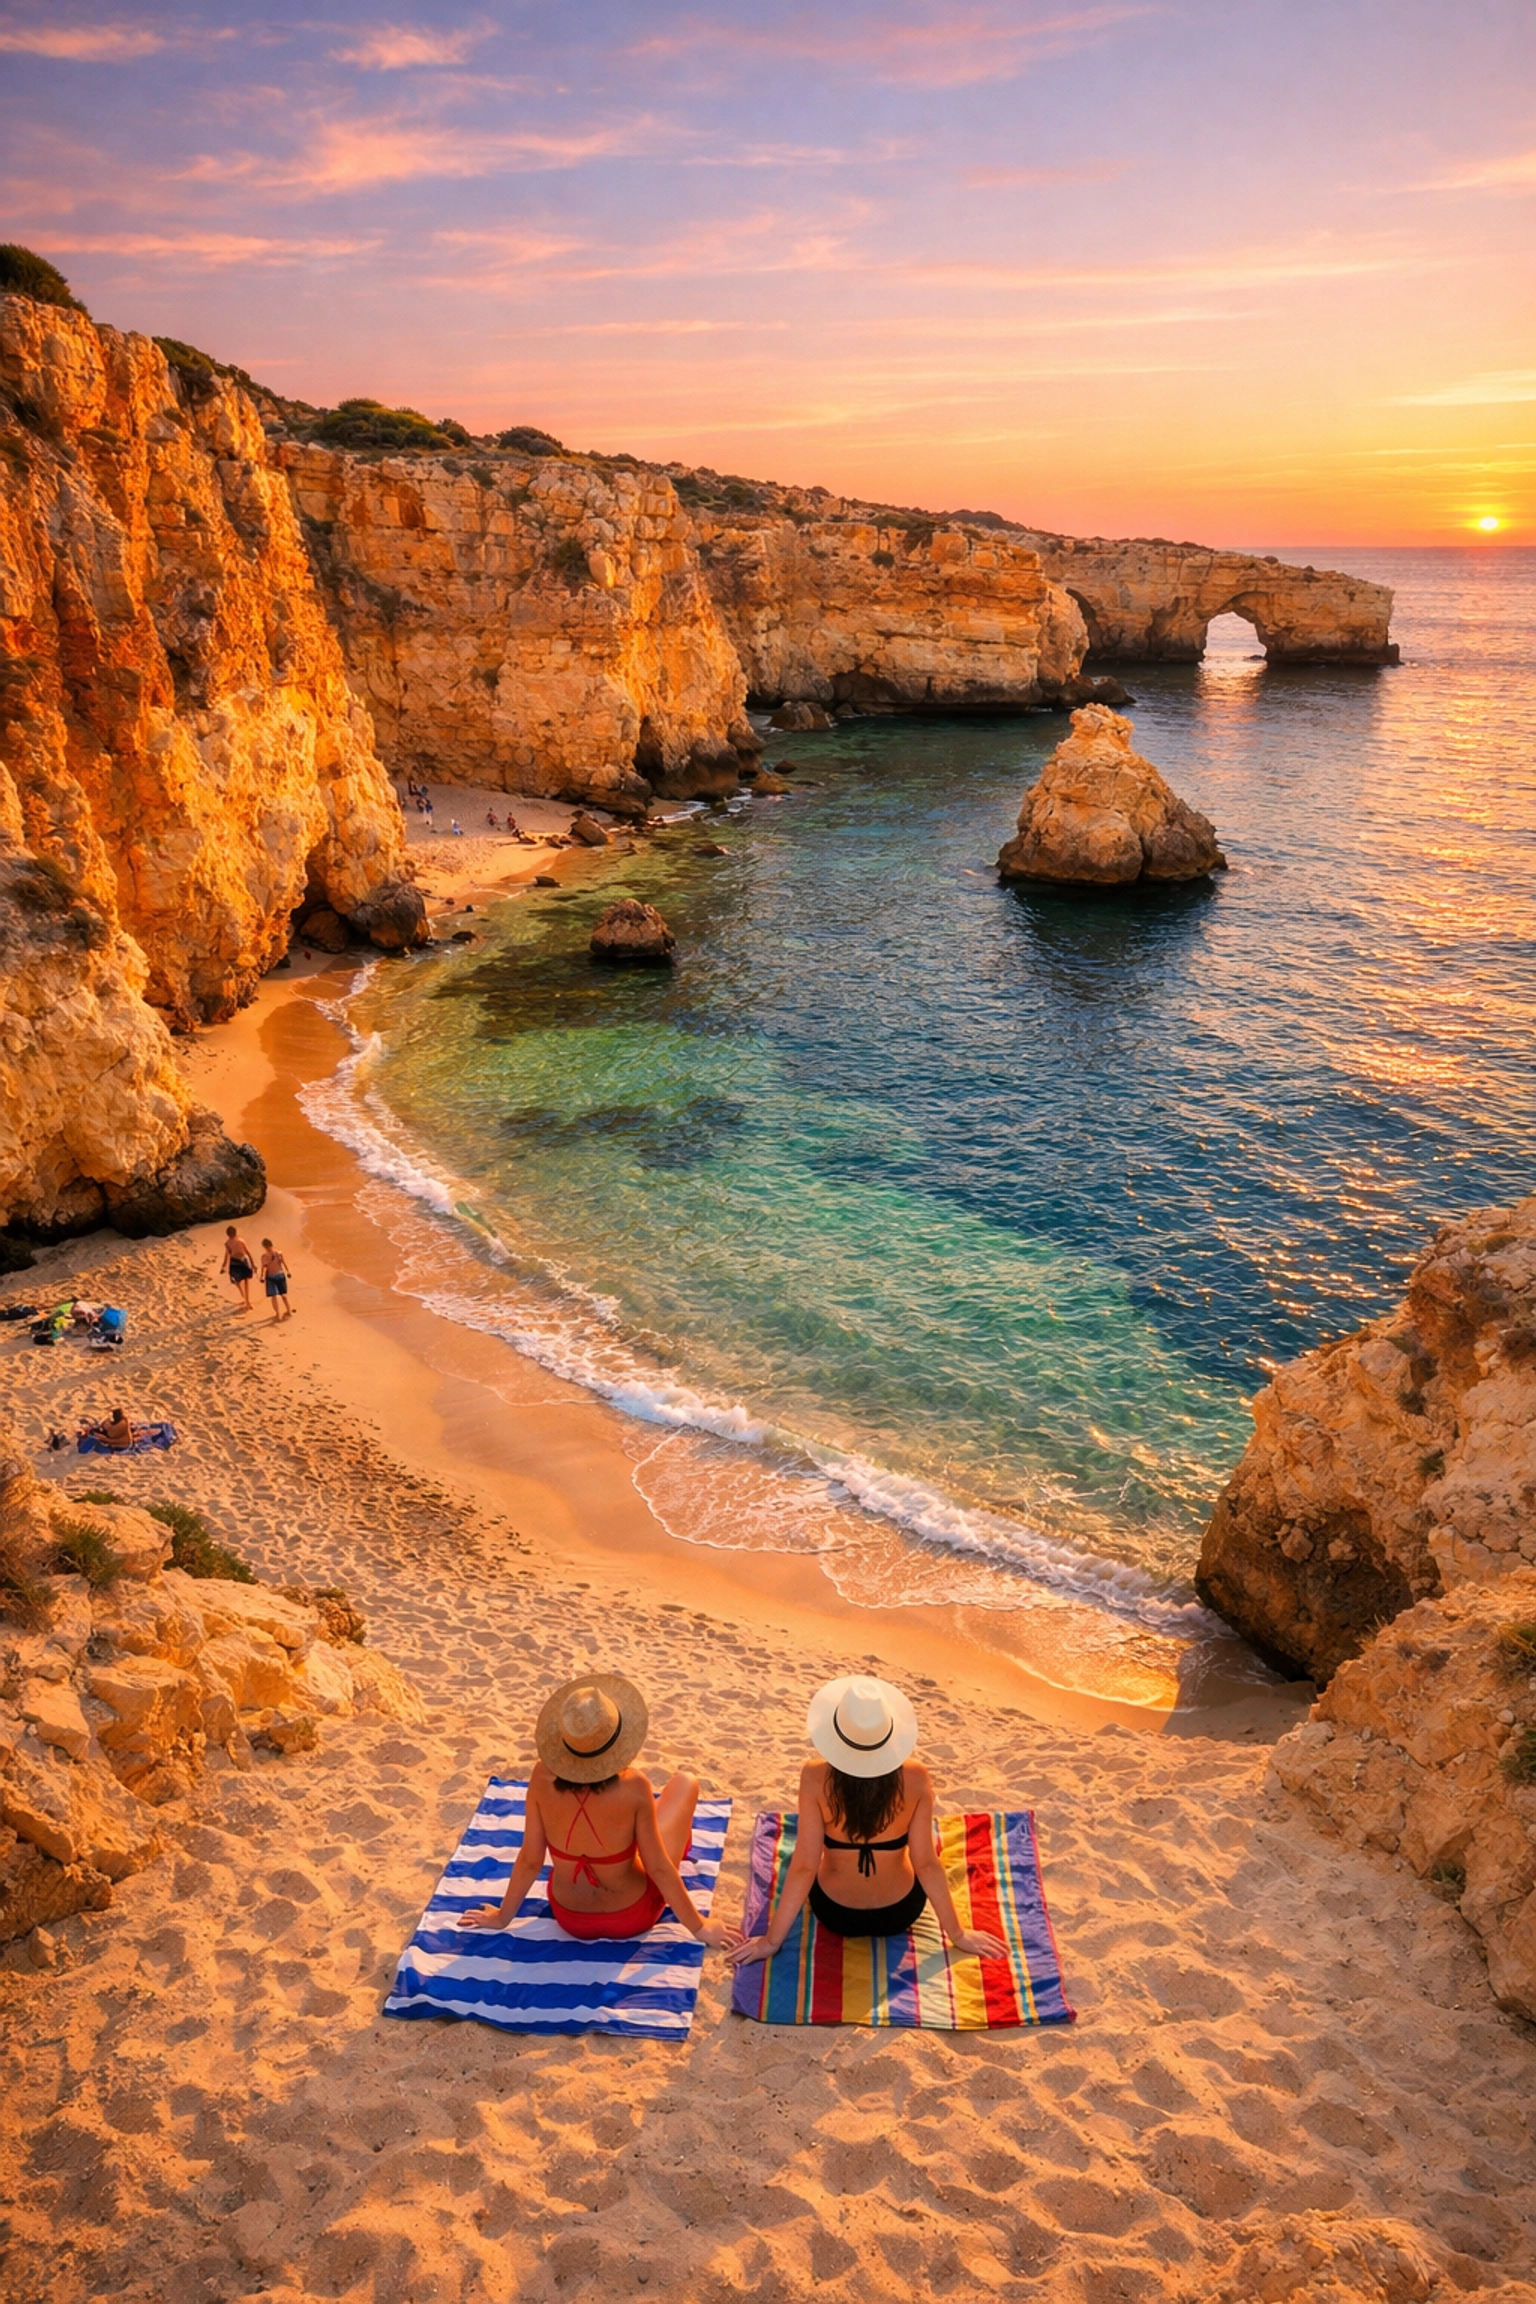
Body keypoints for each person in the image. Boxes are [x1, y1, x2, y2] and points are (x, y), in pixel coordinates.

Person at [728, 1674, 1008, 1965]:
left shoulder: (814, 1777)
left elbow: (804, 1867)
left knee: (797, 1858)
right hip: (900, 1912)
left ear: (837, 1733)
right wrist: (958, 1934)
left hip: (836, 1914)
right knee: (925, 1849)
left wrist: (771, 1941)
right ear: (889, 1734)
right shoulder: (915, 1777)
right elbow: (925, 1863)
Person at [461, 1674, 741, 1949]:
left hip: (569, 1918)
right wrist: (700, 1927)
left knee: (646, 1821)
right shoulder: (634, 1785)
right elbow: (658, 1868)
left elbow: (530, 1861)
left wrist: (502, 1917)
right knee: (685, 1782)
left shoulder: (540, 1777)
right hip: (632, 1914)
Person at [259, 1239, 294, 1324]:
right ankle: (288, 1310)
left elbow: (264, 1268)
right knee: (283, 1295)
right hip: (280, 1275)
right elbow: (283, 1263)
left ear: (264, 1247)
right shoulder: (279, 1253)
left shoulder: (264, 1256)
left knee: (273, 1296)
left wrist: (262, 1277)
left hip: (271, 1276)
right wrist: (288, 1271)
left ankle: (277, 1314)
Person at [221, 1226, 256, 1312]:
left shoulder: (228, 1243)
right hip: (242, 1260)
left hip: (236, 1261)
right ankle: (246, 1300)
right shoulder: (239, 1241)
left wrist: (224, 1266)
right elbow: (247, 1252)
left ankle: (245, 1298)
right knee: (246, 1281)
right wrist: (253, 1264)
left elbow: (227, 1255)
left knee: (238, 1281)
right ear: (235, 1232)